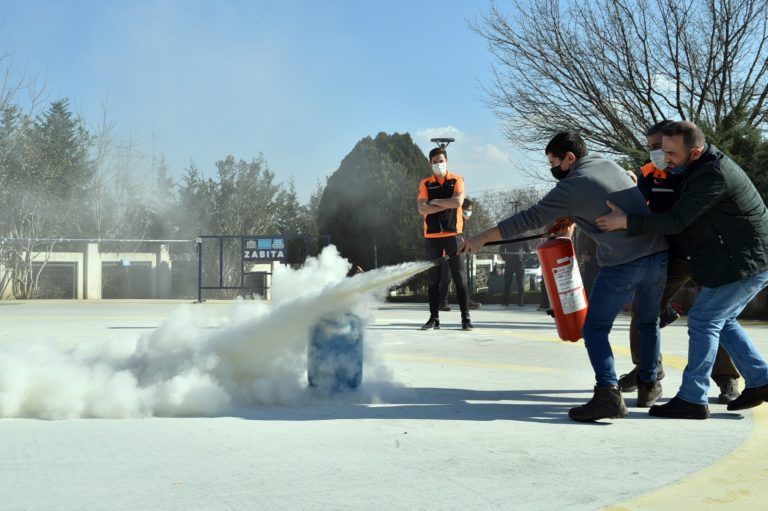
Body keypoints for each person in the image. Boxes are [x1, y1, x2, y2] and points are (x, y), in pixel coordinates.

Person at [461, 131, 668, 422]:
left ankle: (608, 393)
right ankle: (649, 384)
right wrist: (574, 218)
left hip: (624, 263)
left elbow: (529, 219)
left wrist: (482, 237)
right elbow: (611, 195)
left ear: (570, 158)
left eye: (554, 162)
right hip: (658, 256)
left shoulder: (573, 184)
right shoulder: (605, 163)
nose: (553, 169)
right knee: (647, 321)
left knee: (594, 329)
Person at [597, 121, 768, 419]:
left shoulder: (712, 174)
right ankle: (762, 380)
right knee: (721, 320)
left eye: (672, 153)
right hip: (729, 261)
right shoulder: (694, 168)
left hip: (746, 263)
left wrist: (627, 222)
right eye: (663, 150)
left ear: (696, 151)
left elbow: (677, 220)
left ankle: (693, 398)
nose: (666, 159)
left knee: (703, 319)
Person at [618, 120, 741, 404]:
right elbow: (638, 205)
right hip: (671, 253)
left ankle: (727, 378)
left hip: (707, 252)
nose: (656, 153)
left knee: (714, 315)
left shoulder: (700, 170)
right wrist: (627, 185)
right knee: (644, 309)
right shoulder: (649, 172)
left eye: (659, 147)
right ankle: (648, 370)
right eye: (649, 148)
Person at [418, 146, 473, 331]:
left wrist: (434, 202)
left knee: (459, 278)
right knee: (433, 280)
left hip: (453, 235)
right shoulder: (425, 183)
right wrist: (445, 203)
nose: (438, 164)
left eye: (441, 161)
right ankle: (434, 319)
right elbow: (422, 209)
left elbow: (458, 202)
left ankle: (466, 318)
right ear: (430, 163)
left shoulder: (457, 180)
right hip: (432, 236)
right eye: (434, 162)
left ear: (446, 161)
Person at [439, 198, 480, 311]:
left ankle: (466, 302)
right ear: (460, 209)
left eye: (471, 210)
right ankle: (442, 302)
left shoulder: (463, 221)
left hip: (457, 251)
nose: (469, 213)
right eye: (467, 210)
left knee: (461, 277)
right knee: (446, 277)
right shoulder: (452, 219)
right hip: (447, 251)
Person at [501, 240, 528, 306]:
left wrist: (523, 259)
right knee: (507, 283)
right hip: (509, 263)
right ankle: (505, 301)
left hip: (519, 263)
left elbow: (527, 250)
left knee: (520, 283)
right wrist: (505, 258)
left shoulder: (523, 238)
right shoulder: (507, 238)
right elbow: (501, 249)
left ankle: (521, 301)